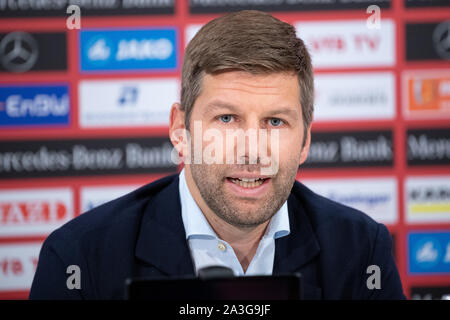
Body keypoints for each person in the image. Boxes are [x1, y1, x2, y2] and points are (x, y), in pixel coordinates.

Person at [29, 10, 405, 300]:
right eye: (226, 118)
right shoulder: (78, 258)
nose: (252, 150)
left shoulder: (361, 250)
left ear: (305, 140)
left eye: (275, 122)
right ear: (180, 130)